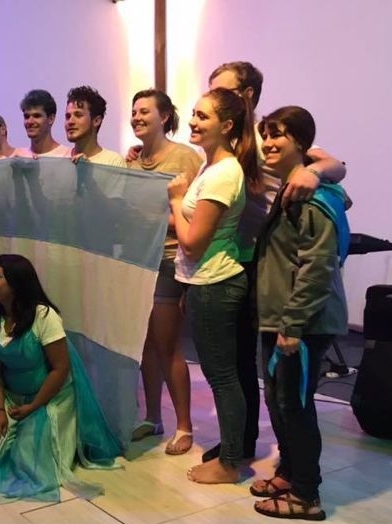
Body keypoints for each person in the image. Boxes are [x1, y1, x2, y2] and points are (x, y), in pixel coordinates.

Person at [201, 61, 347, 463]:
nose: (216, 99)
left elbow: (336, 165)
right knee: (239, 362)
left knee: (278, 375)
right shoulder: (225, 142)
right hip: (239, 261)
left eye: (224, 92)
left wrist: (315, 172)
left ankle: (295, 464)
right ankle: (242, 440)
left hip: (273, 263)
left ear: (247, 95)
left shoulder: (271, 136)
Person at [0, 254, 122, 503]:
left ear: (16, 282)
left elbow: (60, 369)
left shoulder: (44, 316)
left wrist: (34, 406)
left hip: (49, 397)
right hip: (11, 397)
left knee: (28, 459)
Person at [251, 106, 349, 520]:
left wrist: (292, 323)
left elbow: (317, 266)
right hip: (280, 317)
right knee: (280, 400)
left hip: (302, 322)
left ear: (302, 144)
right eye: (266, 135)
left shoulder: (312, 197)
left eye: (279, 135)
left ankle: (307, 495)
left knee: (295, 405)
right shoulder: (290, 187)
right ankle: (290, 473)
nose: (269, 143)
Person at [167, 87, 260, 484]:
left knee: (222, 377)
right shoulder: (212, 167)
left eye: (202, 116)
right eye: (193, 113)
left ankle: (230, 463)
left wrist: (175, 200)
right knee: (222, 374)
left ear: (227, 125)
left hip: (216, 283)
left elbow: (192, 242)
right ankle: (231, 453)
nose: (192, 121)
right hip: (204, 282)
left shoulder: (223, 173)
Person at [126, 89, 202, 455]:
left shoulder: (185, 157)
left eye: (145, 111)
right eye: (134, 111)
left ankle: (184, 426)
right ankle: (153, 417)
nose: (137, 117)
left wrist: (156, 219)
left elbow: (196, 212)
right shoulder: (132, 161)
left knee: (168, 345)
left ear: (165, 117)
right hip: (139, 260)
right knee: (144, 345)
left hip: (171, 259)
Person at [65, 86, 126, 167]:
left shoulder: (113, 162)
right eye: (68, 116)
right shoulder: (60, 158)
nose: (70, 121)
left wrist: (89, 171)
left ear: (96, 121)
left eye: (78, 115)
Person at [13, 89, 72, 158]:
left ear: (51, 119)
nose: (29, 121)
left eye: (36, 116)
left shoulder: (69, 156)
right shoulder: (18, 157)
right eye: (26, 116)